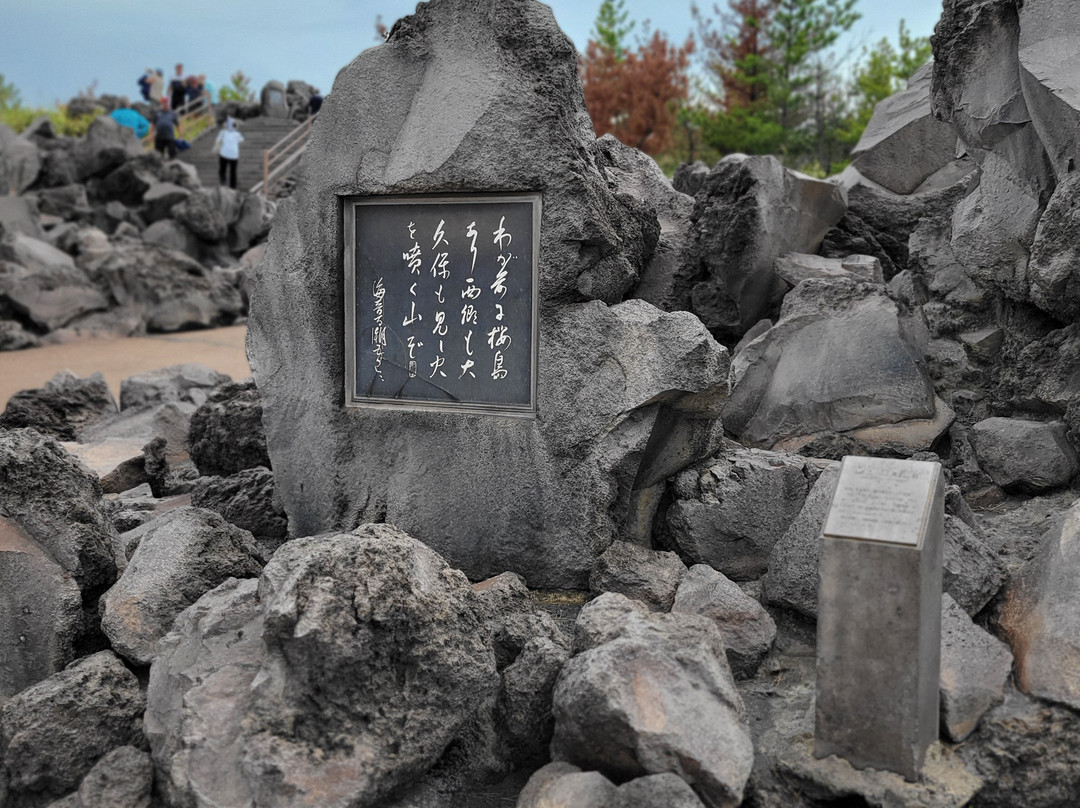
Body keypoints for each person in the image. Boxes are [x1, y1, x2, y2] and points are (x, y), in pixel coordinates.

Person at [214, 117, 244, 189]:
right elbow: (241, 140)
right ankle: (233, 187)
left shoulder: (223, 132)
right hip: (234, 155)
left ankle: (223, 182)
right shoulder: (237, 134)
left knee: (222, 169)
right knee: (233, 172)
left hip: (224, 154)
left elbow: (217, 141)